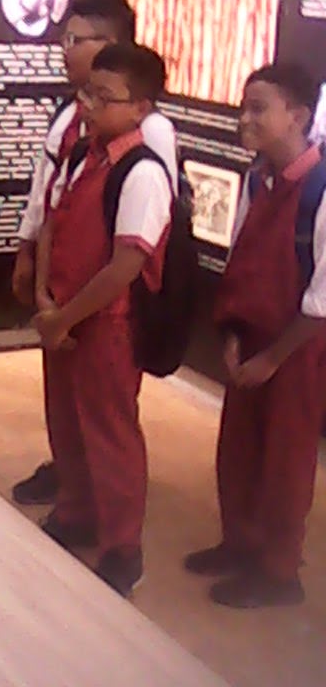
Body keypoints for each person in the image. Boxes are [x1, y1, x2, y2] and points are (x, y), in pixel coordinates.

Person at [11, 0, 177, 506]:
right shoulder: (72, 119)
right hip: (64, 291)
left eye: (77, 40)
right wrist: (34, 267)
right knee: (66, 405)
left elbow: (144, 228)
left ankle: (111, 524)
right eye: (64, 38)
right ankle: (74, 492)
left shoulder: (149, 138)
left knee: (105, 414)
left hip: (106, 307)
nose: (65, 49)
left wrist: (70, 311)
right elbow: (49, 194)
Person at [31, 44, 172, 597]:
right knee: (66, 420)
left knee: (110, 433)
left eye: (104, 98)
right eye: (87, 93)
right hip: (63, 316)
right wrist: (45, 298)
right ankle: (77, 513)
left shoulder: (142, 172)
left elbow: (126, 265)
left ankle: (121, 548)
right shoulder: (81, 156)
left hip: (107, 324)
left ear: (141, 108)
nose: (88, 106)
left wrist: (64, 317)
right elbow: (52, 222)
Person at [184, 63, 326, 608]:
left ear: (299, 116)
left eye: (258, 108)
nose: (244, 119)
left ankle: (278, 571)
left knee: (285, 461)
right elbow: (241, 261)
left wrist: (274, 358)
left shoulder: (319, 190)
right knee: (239, 450)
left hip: (297, 351)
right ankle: (240, 544)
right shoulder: (256, 179)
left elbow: (322, 298)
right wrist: (233, 336)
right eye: (244, 107)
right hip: (251, 341)